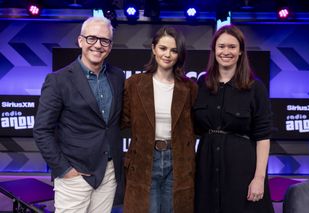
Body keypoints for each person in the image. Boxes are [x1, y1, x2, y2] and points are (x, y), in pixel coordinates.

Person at [33, 16, 125, 213]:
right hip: (75, 174)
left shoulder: (118, 77)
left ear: (110, 46)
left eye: (104, 40)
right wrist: (65, 170)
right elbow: (42, 130)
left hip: (108, 173)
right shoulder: (58, 80)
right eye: (92, 38)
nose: (98, 45)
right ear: (80, 40)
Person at [193, 24, 274, 213]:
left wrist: (259, 179)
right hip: (207, 167)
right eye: (221, 46)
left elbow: (263, 137)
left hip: (242, 169)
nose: (226, 51)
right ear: (214, 50)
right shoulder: (201, 85)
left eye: (232, 47)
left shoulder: (255, 88)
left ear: (240, 52)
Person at [122, 26, 198, 213]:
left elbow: (197, 126)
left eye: (174, 50)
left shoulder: (189, 87)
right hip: (143, 161)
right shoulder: (134, 84)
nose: (168, 54)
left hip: (178, 162)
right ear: (153, 49)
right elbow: (122, 120)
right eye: (163, 48)